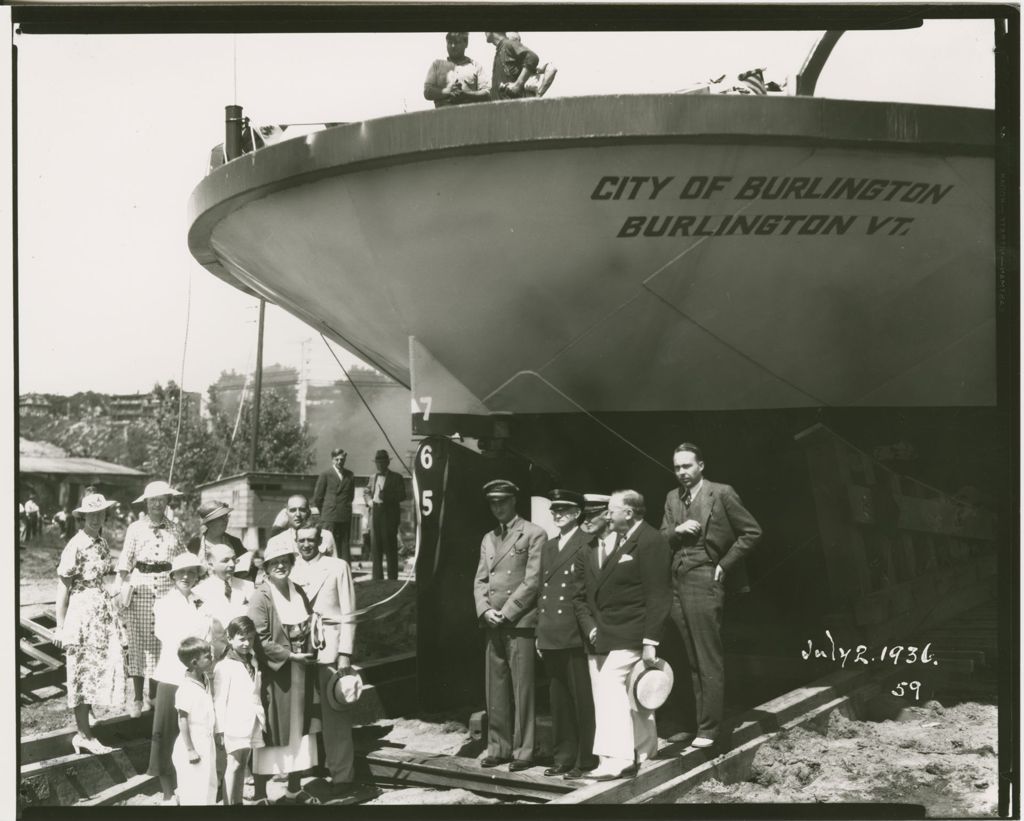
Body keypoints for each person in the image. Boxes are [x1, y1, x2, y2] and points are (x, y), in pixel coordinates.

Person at [660, 443, 761, 749]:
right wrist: (678, 530)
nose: (682, 473)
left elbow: (752, 532)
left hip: (705, 576)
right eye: (677, 467)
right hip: (675, 579)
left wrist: (724, 566)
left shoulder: (722, 492)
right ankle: (688, 723)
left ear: (701, 466)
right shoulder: (671, 498)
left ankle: (709, 727)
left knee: (707, 656)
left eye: (687, 466)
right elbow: (661, 535)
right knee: (682, 653)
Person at [572, 490, 672, 781]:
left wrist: (651, 640)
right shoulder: (628, 538)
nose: (608, 515)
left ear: (628, 513)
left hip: (634, 630)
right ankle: (644, 749)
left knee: (609, 686)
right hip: (615, 630)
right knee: (628, 691)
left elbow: (659, 594)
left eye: (611, 510)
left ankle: (617, 758)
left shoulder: (650, 540)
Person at [472, 479, 545, 772]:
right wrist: (484, 610)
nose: (497, 507)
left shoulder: (533, 534)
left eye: (502, 501)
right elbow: (480, 580)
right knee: (496, 689)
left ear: (514, 501)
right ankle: (498, 748)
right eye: (492, 502)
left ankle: (524, 751)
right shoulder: (488, 538)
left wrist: (507, 611)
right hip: (493, 624)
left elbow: (533, 580)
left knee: (522, 689)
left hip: (519, 622)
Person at [248, 542, 322, 805]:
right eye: (274, 562)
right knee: (271, 731)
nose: (280, 565)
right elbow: (259, 639)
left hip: (302, 672)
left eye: (285, 561)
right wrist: (290, 655)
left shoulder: (298, 591)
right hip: (277, 675)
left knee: (299, 732)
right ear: (266, 567)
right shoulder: (261, 596)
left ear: (292, 563)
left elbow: (310, 623)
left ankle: (293, 788)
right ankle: (259, 795)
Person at [54, 492, 129, 755]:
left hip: (101, 610)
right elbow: (63, 588)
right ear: (83, 516)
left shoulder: (102, 542)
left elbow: (105, 579)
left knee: (99, 666)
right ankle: (83, 735)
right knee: (82, 670)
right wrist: (60, 625)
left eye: (101, 513)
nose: (97, 518)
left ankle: (88, 721)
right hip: (81, 611)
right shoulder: (75, 544)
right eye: (92, 514)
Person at [290, 526, 358, 797]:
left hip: (330, 649)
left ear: (320, 541)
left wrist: (345, 653)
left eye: (311, 540)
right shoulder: (290, 568)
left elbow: (349, 613)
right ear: (296, 542)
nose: (306, 545)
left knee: (335, 714)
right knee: (300, 713)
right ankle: (306, 768)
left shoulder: (338, 566)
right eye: (301, 540)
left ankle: (342, 774)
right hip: (299, 651)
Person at [535, 489, 597, 779]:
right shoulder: (548, 547)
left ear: (576, 514)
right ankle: (563, 756)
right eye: (555, 511)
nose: (558, 515)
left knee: (581, 699)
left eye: (564, 511)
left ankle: (585, 759)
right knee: (558, 699)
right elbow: (542, 593)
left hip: (574, 633)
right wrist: (539, 630)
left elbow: (587, 592)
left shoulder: (587, 542)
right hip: (551, 632)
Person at [115, 480, 187, 718]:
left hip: (166, 588)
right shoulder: (135, 528)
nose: (157, 504)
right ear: (146, 502)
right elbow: (126, 558)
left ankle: (153, 696)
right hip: (140, 587)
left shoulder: (175, 528)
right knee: (137, 642)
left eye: (162, 499)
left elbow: (182, 561)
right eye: (153, 500)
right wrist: (119, 584)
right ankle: (136, 696)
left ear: (168, 501)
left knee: (160, 642)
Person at [148, 552, 215, 805]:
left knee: (196, 734)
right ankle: (167, 793)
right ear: (173, 575)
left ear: (198, 575)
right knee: (166, 734)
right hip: (172, 677)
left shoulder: (202, 602)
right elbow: (174, 640)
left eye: (192, 571)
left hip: (198, 677)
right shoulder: (164, 603)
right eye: (181, 572)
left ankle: (190, 789)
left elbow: (207, 636)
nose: (186, 576)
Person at [213, 616, 266, 806]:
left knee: (243, 765)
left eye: (250, 639)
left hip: (251, 722)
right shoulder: (224, 666)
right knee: (233, 765)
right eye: (241, 639)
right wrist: (219, 729)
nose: (246, 643)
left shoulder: (252, 661)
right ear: (230, 638)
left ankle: (238, 803)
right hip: (233, 724)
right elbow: (219, 700)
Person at [171, 637, 218, 806]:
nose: (212, 658)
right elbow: (182, 720)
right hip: (193, 742)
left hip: (206, 740)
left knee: (209, 784)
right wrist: (190, 749)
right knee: (194, 788)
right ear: (194, 662)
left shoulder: (205, 679)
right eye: (207, 656)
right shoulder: (186, 689)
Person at [194, 543, 256, 659]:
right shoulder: (199, 592)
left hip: (246, 655)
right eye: (225, 560)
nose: (232, 564)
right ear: (211, 565)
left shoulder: (248, 587)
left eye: (234, 559)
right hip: (214, 660)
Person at [365, 449, 406, 581]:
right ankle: (377, 579)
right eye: (378, 462)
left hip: (389, 516)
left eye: (383, 461)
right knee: (375, 547)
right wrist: (369, 501)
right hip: (375, 514)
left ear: (388, 462)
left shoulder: (397, 477)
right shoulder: (372, 477)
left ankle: (392, 579)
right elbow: (366, 491)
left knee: (390, 547)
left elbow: (402, 495)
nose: (380, 464)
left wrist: (387, 496)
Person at [423, 31, 490, 107]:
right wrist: (447, 92)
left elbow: (487, 93)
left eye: (456, 42)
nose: (453, 46)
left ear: (466, 43)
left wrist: (466, 95)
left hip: (469, 116)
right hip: (444, 116)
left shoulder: (476, 66)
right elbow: (427, 91)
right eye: (449, 42)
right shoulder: (437, 65)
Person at [312, 448, 355, 562]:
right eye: (337, 459)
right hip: (329, 516)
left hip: (344, 516)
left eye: (342, 459)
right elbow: (318, 497)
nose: (340, 462)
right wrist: (326, 511)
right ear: (332, 460)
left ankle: (345, 572)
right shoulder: (325, 475)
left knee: (344, 545)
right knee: (327, 544)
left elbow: (351, 496)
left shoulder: (350, 475)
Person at [267, 494, 337, 559]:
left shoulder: (326, 536)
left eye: (302, 510)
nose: (298, 514)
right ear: (287, 513)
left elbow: (335, 566)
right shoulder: (277, 541)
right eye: (293, 510)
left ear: (309, 512)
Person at [187, 501, 248, 566]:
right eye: (221, 518)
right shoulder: (196, 543)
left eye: (226, 516)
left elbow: (248, 570)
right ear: (209, 522)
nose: (226, 520)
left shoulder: (235, 542)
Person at [484, 32, 540, 100]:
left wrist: (518, 84)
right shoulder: (501, 49)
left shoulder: (508, 44)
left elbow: (532, 57)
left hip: (511, 106)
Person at [507, 32, 557, 96]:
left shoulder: (527, 57)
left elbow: (551, 69)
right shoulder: (505, 61)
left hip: (526, 99)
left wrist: (539, 94)